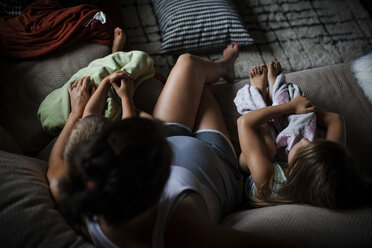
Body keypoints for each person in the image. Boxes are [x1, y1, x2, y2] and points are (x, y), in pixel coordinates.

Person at [47, 43, 298, 247]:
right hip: (216, 159)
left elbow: (54, 165)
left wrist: (75, 114)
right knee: (201, 89)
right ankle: (220, 77)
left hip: (170, 137)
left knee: (188, 63)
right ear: (158, 189)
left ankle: (223, 67)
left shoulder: (79, 190)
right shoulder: (180, 227)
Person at [237, 61, 371, 208]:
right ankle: (276, 99)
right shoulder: (329, 172)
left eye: (305, 148)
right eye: (313, 144)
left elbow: (244, 123)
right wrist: (305, 115)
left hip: (250, 171)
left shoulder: (267, 180)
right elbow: (336, 120)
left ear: (295, 168)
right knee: (298, 132)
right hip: (286, 165)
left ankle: (259, 94)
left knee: (268, 144)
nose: (307, 140)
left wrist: (291, 108)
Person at [63, 27, 152, 163]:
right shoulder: (121, 160)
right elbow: (128, 129)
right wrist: (126, 98)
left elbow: (90, 117)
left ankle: (115, 54)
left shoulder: (59, 175)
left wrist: (106, 81)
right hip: (136, 133)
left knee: (91, 121)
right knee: (148, 122)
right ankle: (116, 55)